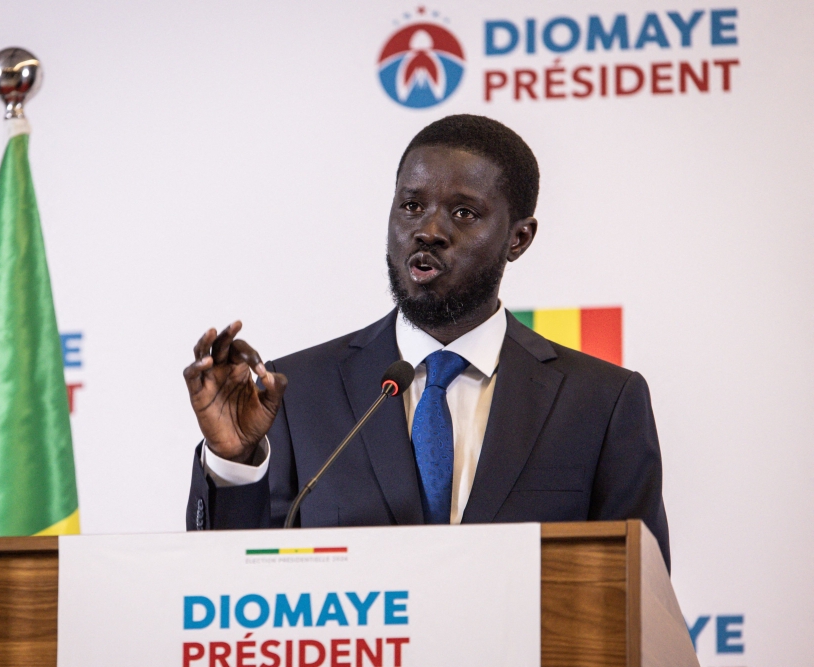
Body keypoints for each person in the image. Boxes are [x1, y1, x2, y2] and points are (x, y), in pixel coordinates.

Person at [183, 114, 670, 569]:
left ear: (518, 239)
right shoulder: (298, 393)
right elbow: (235, 585)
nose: (429, 231)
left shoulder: (600, 403)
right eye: (412, 206)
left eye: (463, 212)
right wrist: (233, 462)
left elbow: (637, 597)